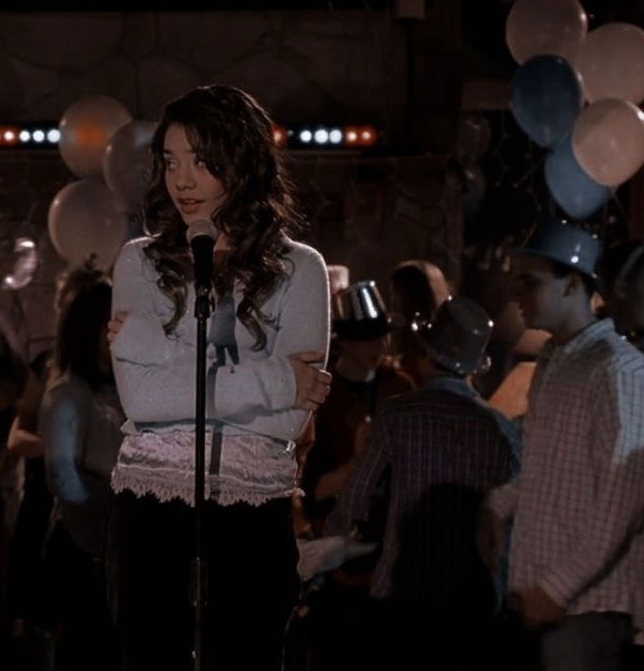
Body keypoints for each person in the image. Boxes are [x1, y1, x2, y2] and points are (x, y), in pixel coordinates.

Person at [105, 84, 332, 670]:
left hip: (252, 512)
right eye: (171, 162)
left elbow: (290, 420)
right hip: (151, 508)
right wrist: (275, 380)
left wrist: (162, 351)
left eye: (202, 162)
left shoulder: (300, 268)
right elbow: (143, 401)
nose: (182, 181)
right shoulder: (139, 261)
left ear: (243, 162)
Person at [481, 219, 644, 670]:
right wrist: (497, 505)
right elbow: (544, 465)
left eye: (529, 282)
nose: (517, 294)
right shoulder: (554, 360)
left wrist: (558, 587)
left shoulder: (618, 370)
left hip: (588, 606)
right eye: (515, 281)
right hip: (539, 596)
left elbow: (623, 502)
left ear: (572, 284)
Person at [330, 296, 520, 671]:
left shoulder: (396, 414)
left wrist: (334, 535)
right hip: (473, 596)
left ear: (427, 356)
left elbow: (355, 496)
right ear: (475, 366)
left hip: (404, 588)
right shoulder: (501, 430)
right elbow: (514, 517)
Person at [40, 278, 124, 671]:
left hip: (110, 543)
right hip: (83, 543)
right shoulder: (69, 393)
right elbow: (63, 477)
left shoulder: (115, 391)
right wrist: (113, 503)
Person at [301, 280, 414, 530]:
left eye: (383, 336)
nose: (381, 346)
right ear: (344, 342)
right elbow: (311, 485)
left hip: (391, 518)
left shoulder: (398, 386)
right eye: (369, 338)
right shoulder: (324, 394)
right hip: (336, 518)